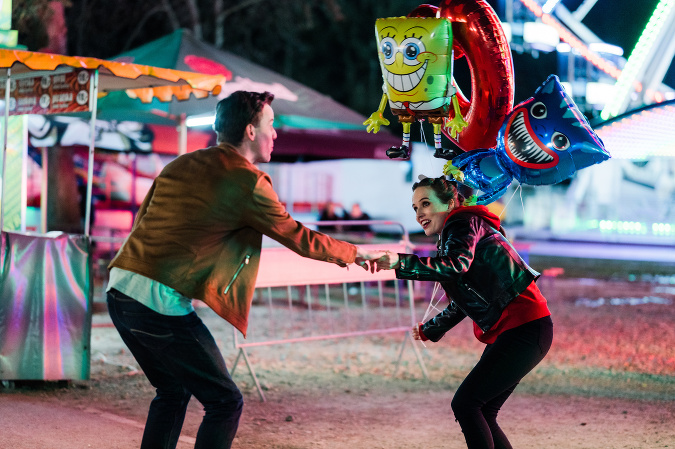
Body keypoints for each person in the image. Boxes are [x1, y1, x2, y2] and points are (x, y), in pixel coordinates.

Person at [105, 91, 376, 449]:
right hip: (158, 302)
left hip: (120, 289)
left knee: (172, 391)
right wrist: (355, 253)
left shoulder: (181, 163)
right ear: (250, 131)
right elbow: (297, 236)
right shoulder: (248, 180)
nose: (275, 134)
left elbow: (143, 221)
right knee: (224, 402)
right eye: (271, 125)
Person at [373, 176, 552, 449]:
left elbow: (456, 266)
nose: (420, 212)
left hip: (525, 327)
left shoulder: (463, 223)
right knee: (482, 410)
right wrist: (431, 328)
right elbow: (464, 297)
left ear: (450, 203)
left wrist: (400, 262)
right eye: (415, 208)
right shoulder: (458, 231)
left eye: (426, 204)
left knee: (467, 404)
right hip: (521, 329)